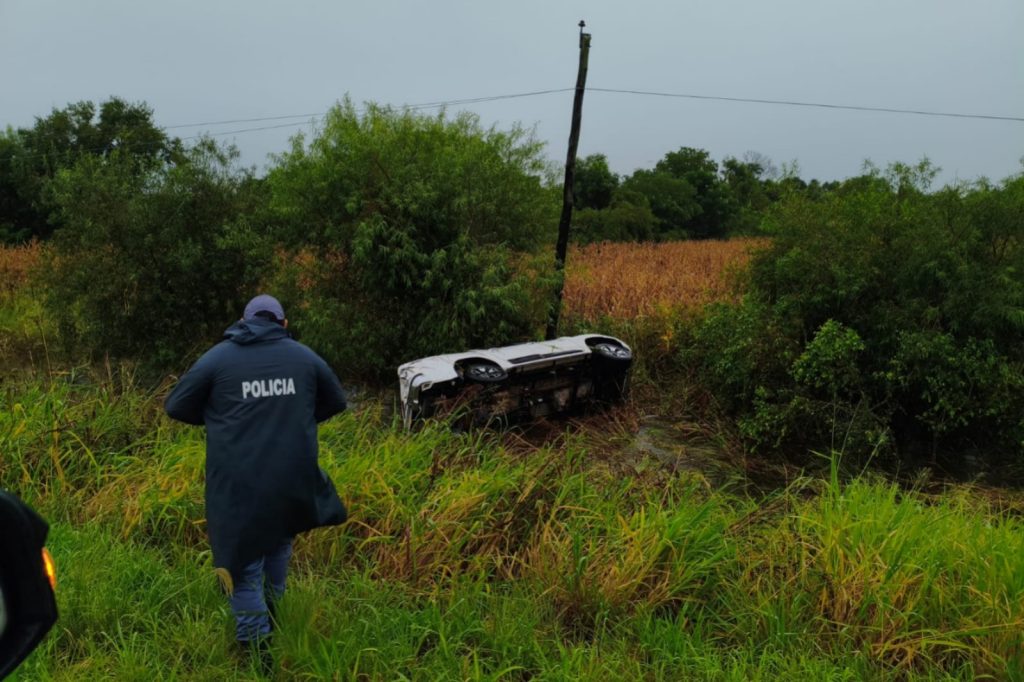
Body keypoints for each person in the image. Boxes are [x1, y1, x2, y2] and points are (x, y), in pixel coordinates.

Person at [164, 294, 347, 668]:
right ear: (282, 324)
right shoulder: (305, 357)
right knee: (279, 543)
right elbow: (337, 401)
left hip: (238, 485)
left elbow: (176, 405)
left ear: (244, 322)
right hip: (292, 480)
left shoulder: (219, 358)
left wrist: (225, 419)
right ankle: (273, 624)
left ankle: (258, 658)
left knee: (242, 566)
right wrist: (294, 416)